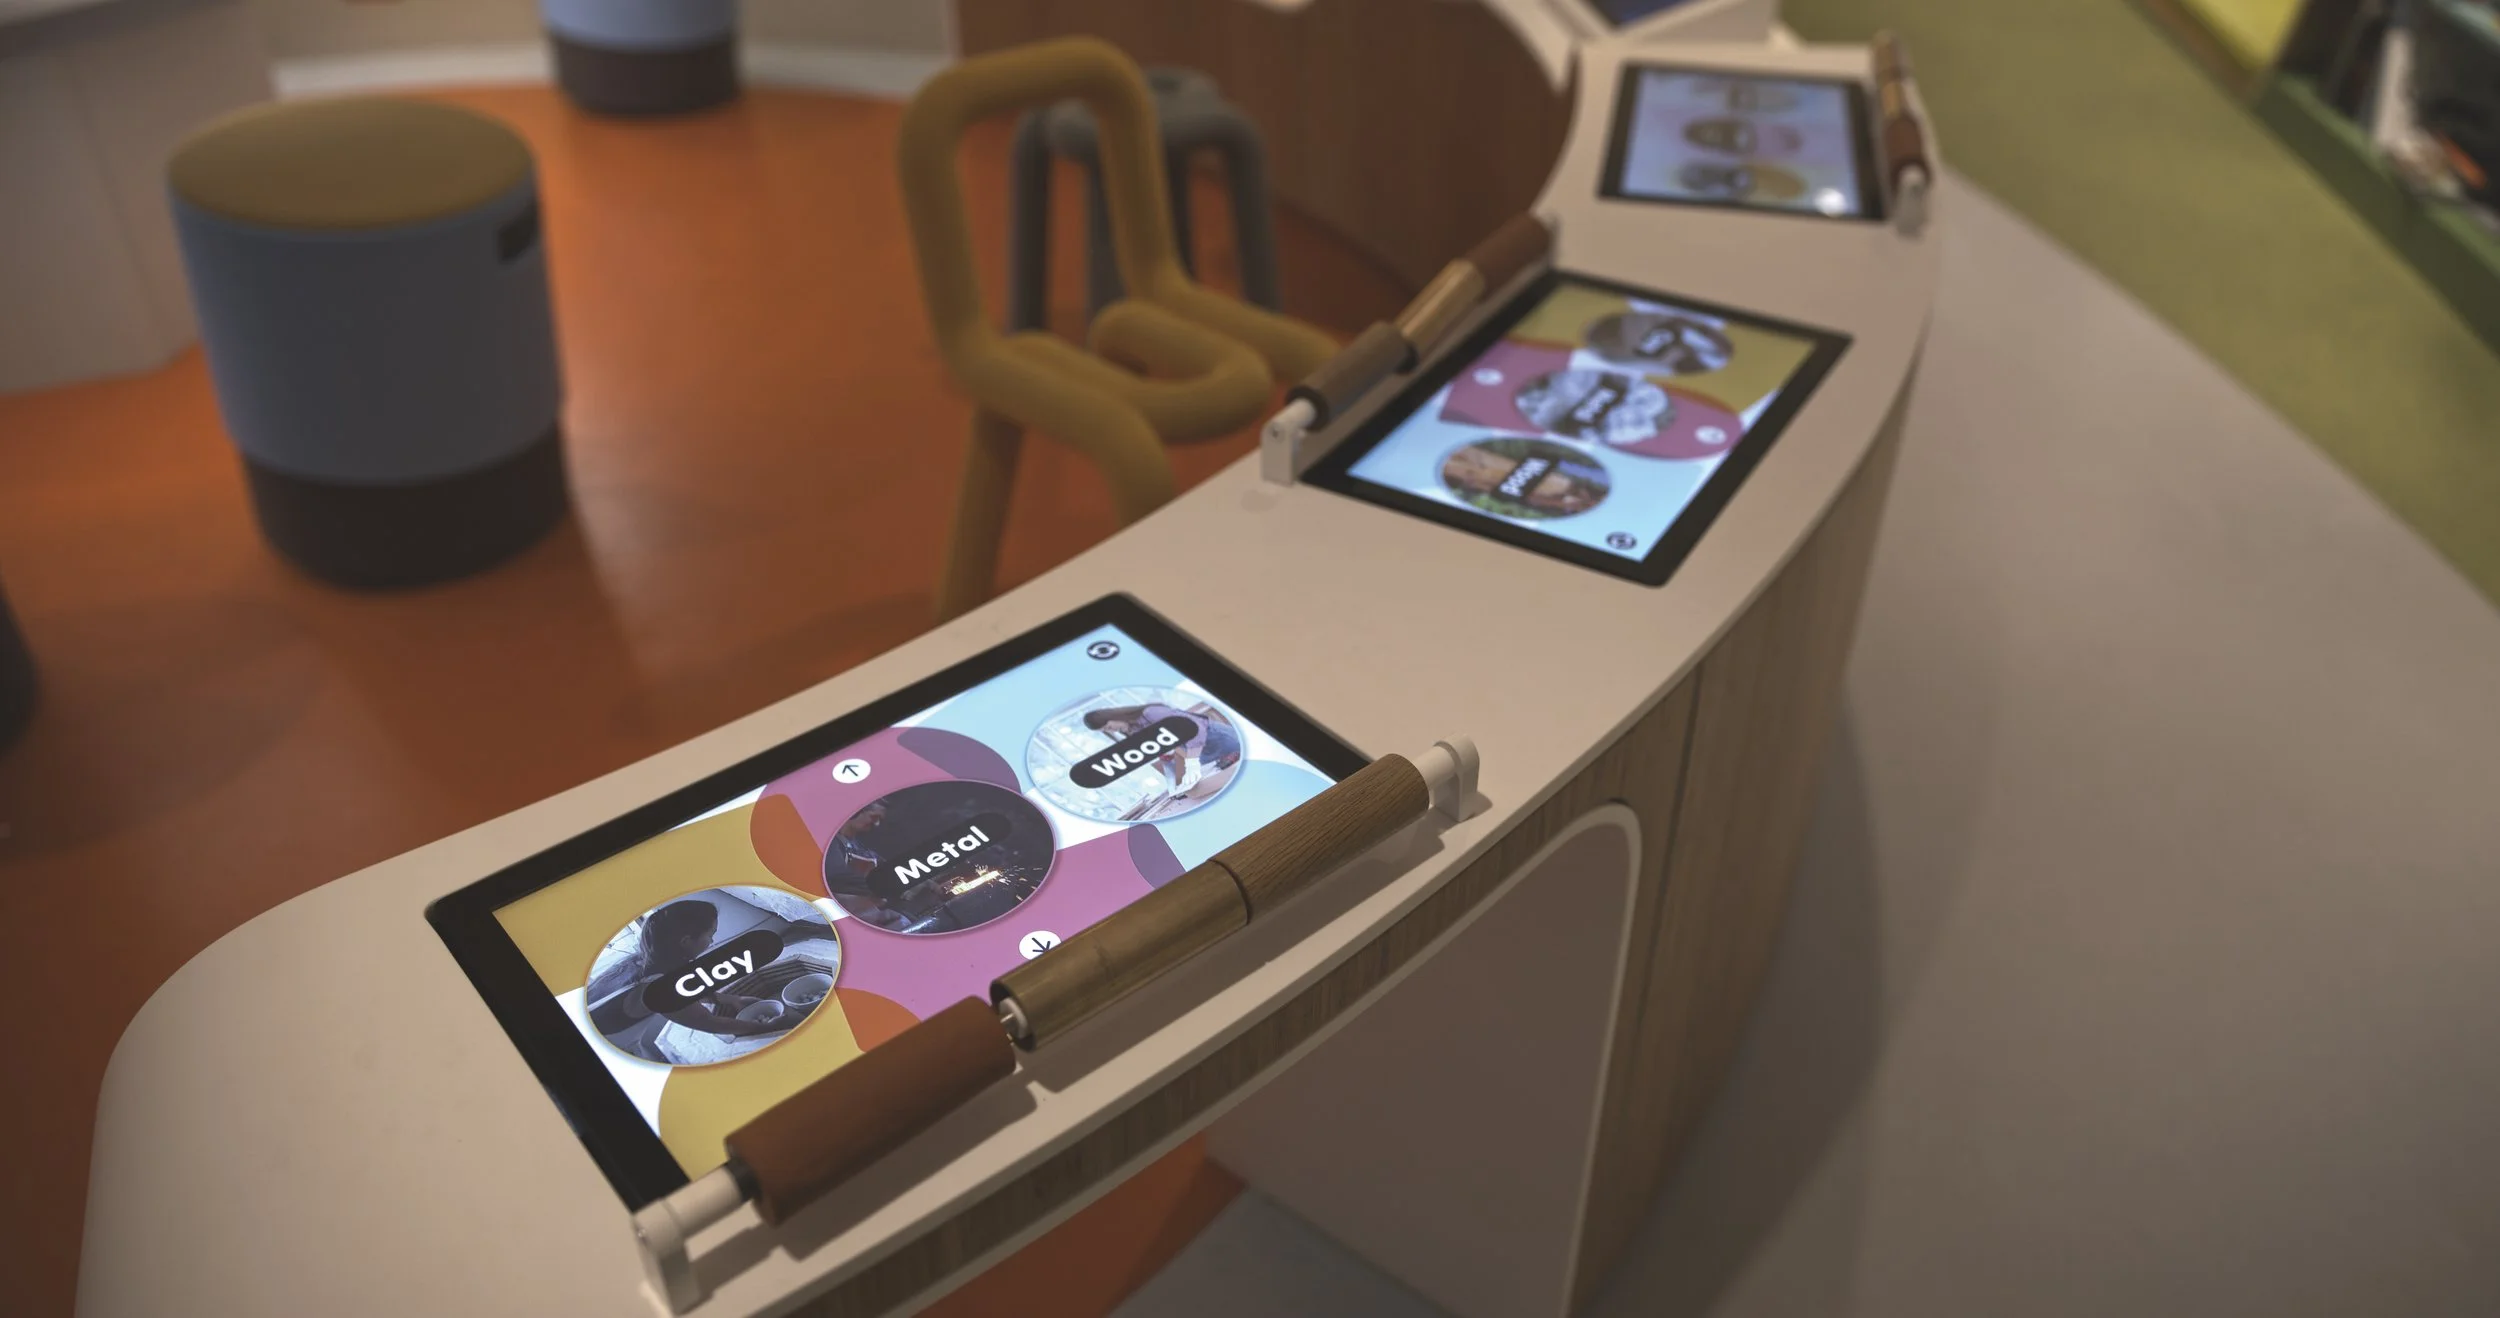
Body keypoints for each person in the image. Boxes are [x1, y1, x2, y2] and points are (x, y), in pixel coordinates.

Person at [587, 900, 785, 1062]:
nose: (712, 942)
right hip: (604, 1049)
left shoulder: (644, 959)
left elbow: (689, 987)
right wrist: (766, 1028)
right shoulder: (657, 986)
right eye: (710, 935)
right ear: (686, 941)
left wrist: (733, 1000)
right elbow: (706, 1021)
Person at [1084, 700, 1242, 796]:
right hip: (1200, 752)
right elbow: (1169, 748)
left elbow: (1195, 728)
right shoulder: (1133, 730)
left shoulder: (1152, 713)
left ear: (1114, 716)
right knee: (1226, 779)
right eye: (1105, 731)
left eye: (1109, 726)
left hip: (1216, 738)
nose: (1111, 731)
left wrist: (1192, 761)